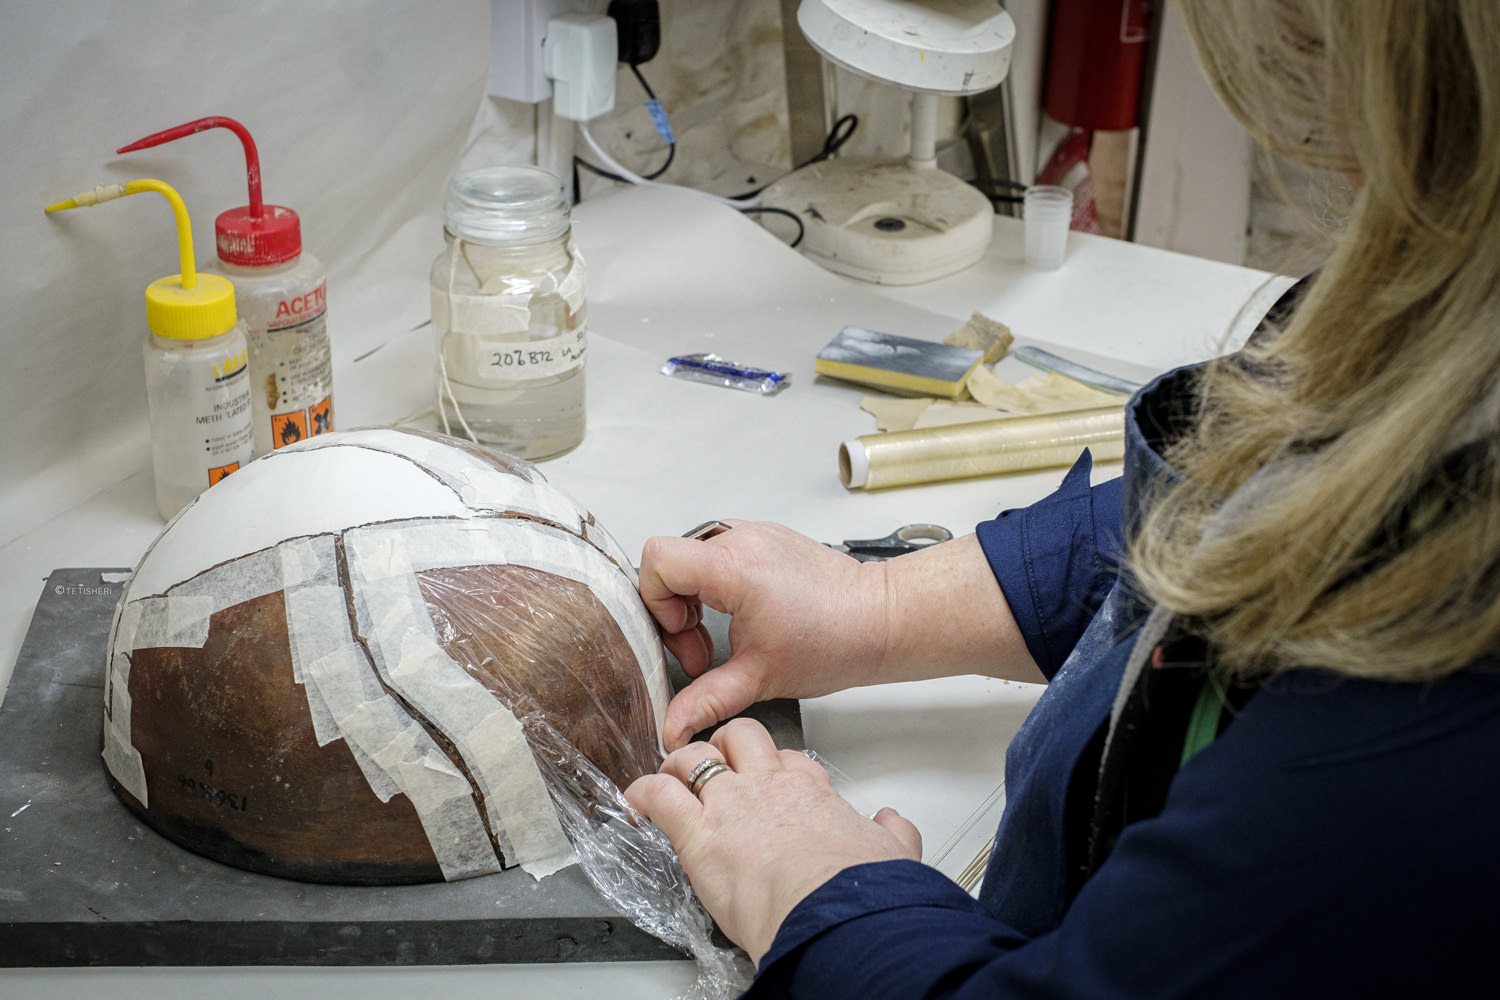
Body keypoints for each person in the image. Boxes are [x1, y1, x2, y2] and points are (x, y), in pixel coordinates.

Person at [625, 0, 1500, 994]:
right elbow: (1242, 495)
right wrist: (876, 606)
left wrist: (825, 893)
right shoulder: (1448, 332)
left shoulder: (1428, 727)